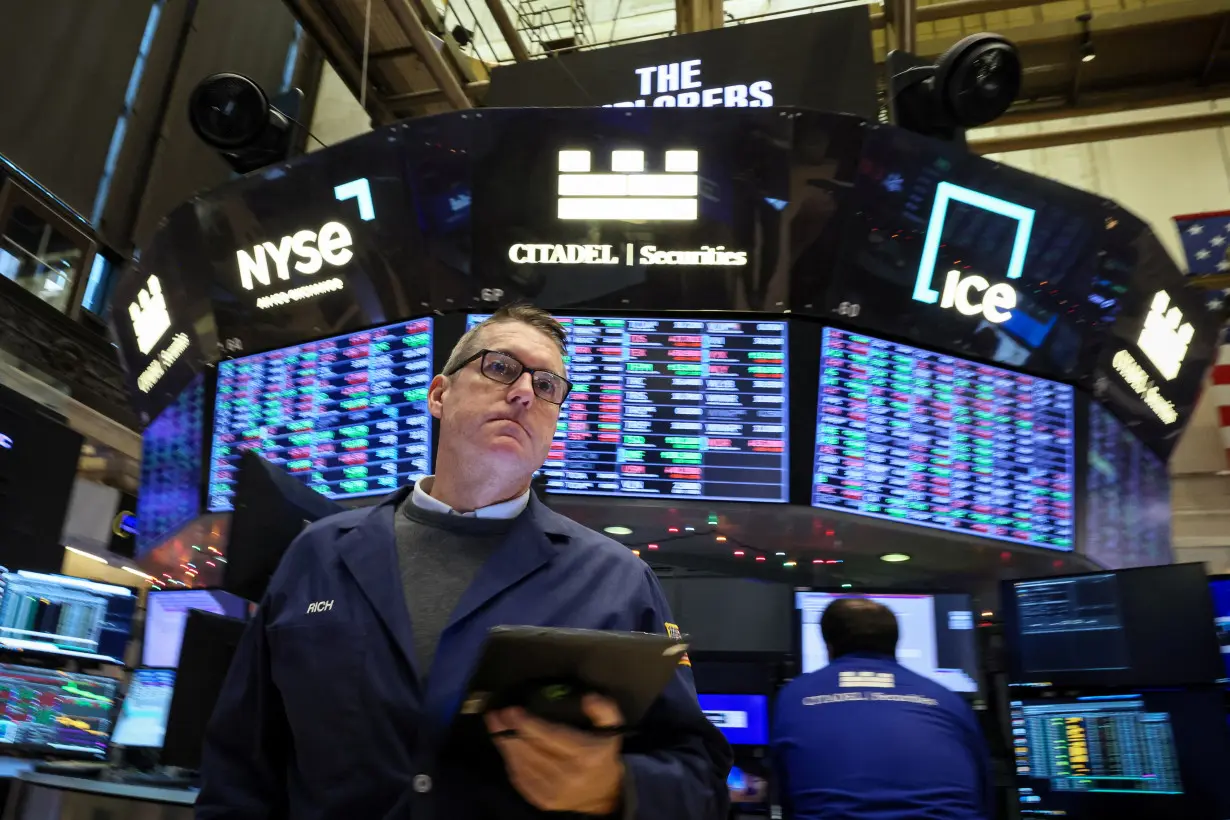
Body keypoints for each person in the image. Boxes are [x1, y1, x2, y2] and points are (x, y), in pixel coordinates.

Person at [197, 305, 732, 819]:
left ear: (552, 425)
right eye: (500, 367)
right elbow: (240, 768)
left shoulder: (617, 580)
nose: (524, 392)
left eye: (546, 386)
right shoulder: (318, 552)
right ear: (439, 394)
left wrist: (616, 787)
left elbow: (700, 777)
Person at [771, 598, 993, 820]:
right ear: (896, 642)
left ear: (828, 646)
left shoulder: (794, 696)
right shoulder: (947, 699)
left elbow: (785, 798)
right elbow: (984, 795)